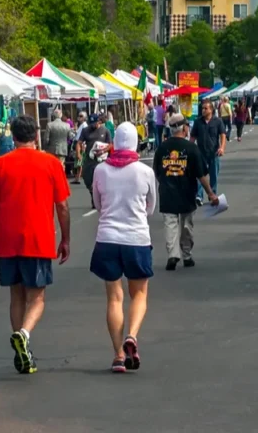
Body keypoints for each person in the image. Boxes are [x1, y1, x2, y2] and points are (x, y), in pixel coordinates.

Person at [0, 116, 71, 375]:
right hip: (38, 239)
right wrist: (66, 238)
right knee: (37, 297)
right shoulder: (50, 163)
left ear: (13, 137)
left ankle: (21, 347)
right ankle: (24, 335)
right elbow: (62, 205)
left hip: (7, 239)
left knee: (16, 295)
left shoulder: (1, 164)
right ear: (36, 136)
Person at [90, 122, 157, 373]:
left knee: (114, 298)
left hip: (107, 237)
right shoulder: (144, 171)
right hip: (137, 238)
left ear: (114, 142)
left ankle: (118, 355)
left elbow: (97, 203)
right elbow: (151, 207)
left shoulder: (100, 170)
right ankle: (132, 335)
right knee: (139, 294)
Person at [154, 114, 218, 270]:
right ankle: (186, 255)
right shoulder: (191, 148)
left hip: (167, 192)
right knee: (186, 226)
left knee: (170, 224)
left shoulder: (162, 148)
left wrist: (164, 183)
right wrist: (210, 193)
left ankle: (173, 255)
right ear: (184, 128)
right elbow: (201, 175)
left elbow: (156, 171)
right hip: (187, 193)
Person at [190, 100, 226, 202]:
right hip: (201, 153)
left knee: (213, 175)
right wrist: (188, 149)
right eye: (202, 108)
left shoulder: (218, 121)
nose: (203, 110)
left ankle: (212, 195)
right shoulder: (198, 122)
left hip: (214, 153)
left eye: (206, 108)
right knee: (200, 175)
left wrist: (222, 148)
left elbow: (222, 135)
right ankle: (199, 196)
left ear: (211, 110)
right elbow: (193, 137)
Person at [81, 113, 113, 207]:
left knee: (102, 180)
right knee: (87, 179)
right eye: (91, 123)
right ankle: (92, 194)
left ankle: (100, 199)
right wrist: (79, 153)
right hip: (90, 159)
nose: (93, 125)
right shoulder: (85, 130)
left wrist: (103, 150)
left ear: (99, 121)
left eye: (94, 123)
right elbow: (79, 142)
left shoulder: (105, 130)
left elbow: (111, 144)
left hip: (101, 159)